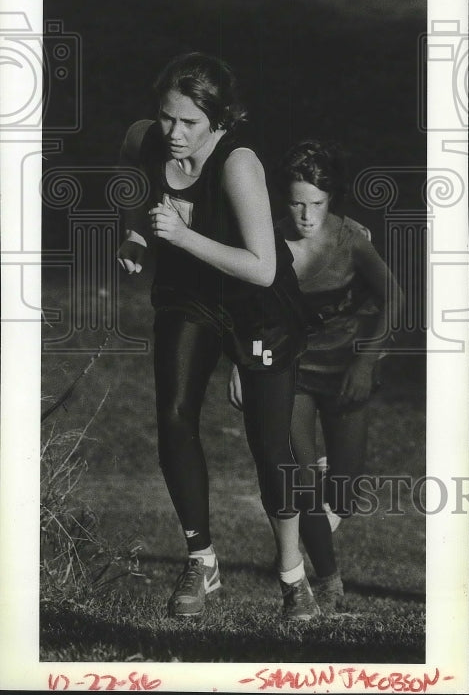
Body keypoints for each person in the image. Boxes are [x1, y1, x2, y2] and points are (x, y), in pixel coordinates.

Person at [117, 53, 319, 621]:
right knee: (174, 416)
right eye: (167, 118)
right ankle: (201, 561)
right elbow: (129, 164)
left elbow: (262, 268)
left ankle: (292, 577)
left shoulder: (238, 164)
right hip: (191, 295)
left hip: (259, 308)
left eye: (190, 124)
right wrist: (135, 232)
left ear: (220, 120)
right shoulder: (147, 138)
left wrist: (178, 235)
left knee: (269, 447)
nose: (174, 134)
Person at [229, 139, 403, 613]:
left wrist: (367, 361)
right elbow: (251, 314)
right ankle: (325, 582)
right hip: (291, 373)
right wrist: (248, 364)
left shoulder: (352, 240)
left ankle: (320, 517)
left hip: (346, 372)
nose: (306, 215)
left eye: (318, 204)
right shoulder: (267, 241)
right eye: (296, 202)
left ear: (333, 200)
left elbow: (396, 299)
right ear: (282, 199)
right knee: (300, 480)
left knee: (342, 495)